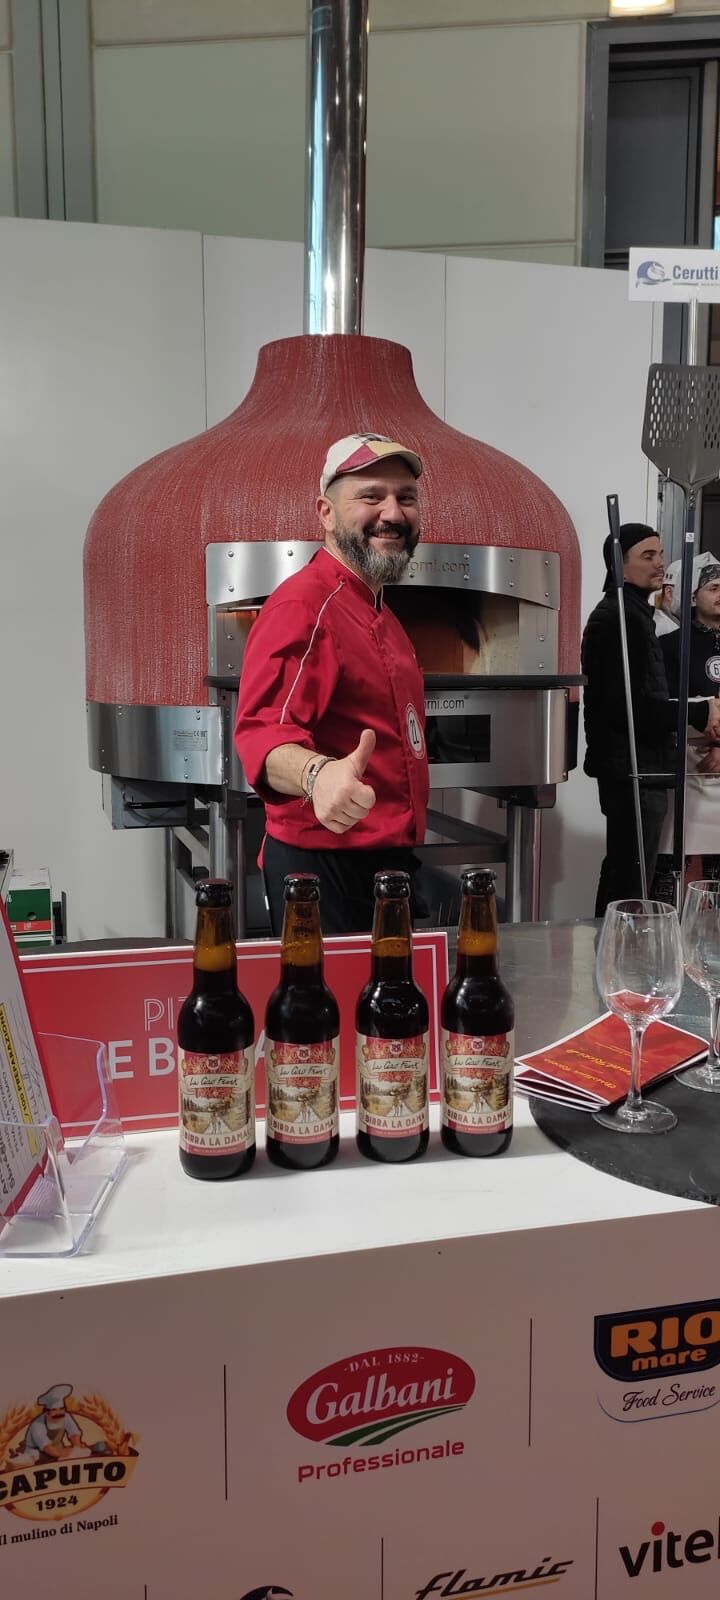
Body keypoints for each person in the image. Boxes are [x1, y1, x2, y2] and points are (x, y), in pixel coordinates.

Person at [234, 433, 429, 935]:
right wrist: (318, 776)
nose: (393, 513)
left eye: (406, 498)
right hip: (323, 870)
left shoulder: (378, 609)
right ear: (325, 512)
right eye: (371, 496)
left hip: (383, 861)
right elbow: (263, 733)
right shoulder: (304, 606)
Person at [581, 523, 720, 918]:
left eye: (660, 553)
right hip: (632, 769)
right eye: (648, 556)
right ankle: (618, 946)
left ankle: (620, 944)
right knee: (629, 878)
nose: (660, 563)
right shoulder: (619, 619)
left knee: (630, 872)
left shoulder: (635, 615)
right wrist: (700, 712)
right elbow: (630, 709)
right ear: (619, 566)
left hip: (644, 768)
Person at [653, 554, 720, 893]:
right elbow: (659, 706)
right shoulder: (668, 646)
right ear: (693, 596)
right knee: (670, 864)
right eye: (714, 588)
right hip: (684, 761)